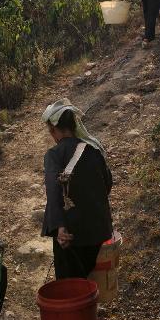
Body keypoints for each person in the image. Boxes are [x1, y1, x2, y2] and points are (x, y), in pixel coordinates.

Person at [41, 99, 113, 280]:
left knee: (70, 284)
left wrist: (60, 228)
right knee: (89, 280)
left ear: (53, 130)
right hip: (98, 231)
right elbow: (107, 183)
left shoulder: (54, 155)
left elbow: (53, 191)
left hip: (70, 236)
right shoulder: (94, 149)